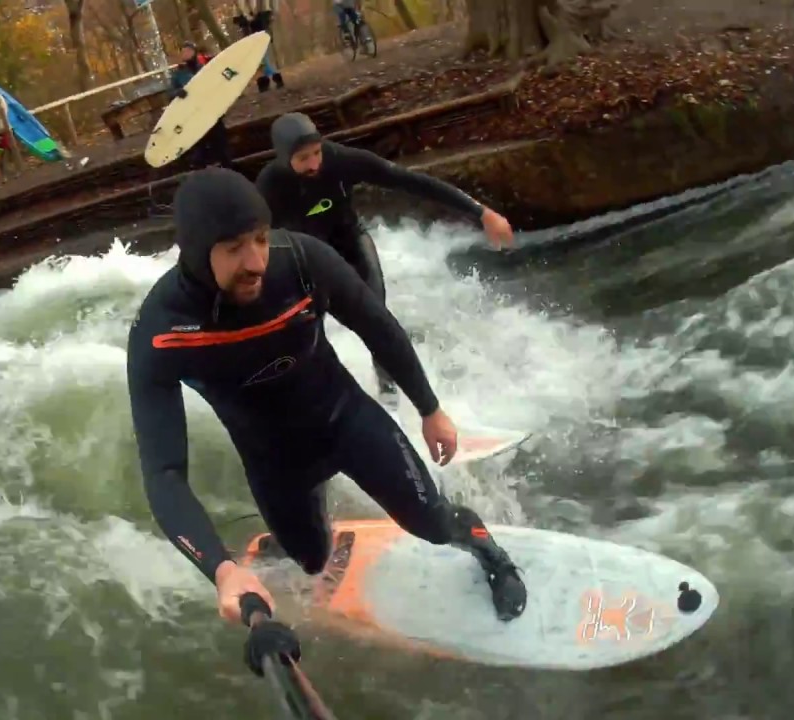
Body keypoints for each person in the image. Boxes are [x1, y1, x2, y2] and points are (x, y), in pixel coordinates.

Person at [126, 168, 527, 673]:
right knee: (313, 560)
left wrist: (430, 410)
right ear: (194, 252)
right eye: (233, 249)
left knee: (432, 523)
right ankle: (302, 529)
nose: (255, 261)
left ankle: (483, 544)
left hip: (346, 421)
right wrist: (223, 571)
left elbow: (377, 326)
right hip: (273, 463)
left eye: (260, 239)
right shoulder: (161, 332)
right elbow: (163, 474)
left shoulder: (300, 262)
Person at [254, 112, 515, 405]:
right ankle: (320, 406)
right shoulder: (269, 186)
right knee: (304, 333)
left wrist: (481, 212)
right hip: (305, 260)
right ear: (283, 158)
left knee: (377, 319)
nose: (314, 164)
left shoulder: (340, 159)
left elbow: (409, 181)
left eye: (316, 152)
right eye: (303, 158)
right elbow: (250, 243)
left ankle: (393, 400)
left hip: (349, 243)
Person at [169, 42, 232, 170]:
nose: (186, 54)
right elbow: (170, 93)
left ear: (194, 52)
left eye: (188, 51)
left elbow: (222, 81)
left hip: (211, 112)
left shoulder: (207, 67)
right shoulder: (179, 74)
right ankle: (202, 172)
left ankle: (228, 168)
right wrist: (178, 93)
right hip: (194, 115)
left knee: (221, 144)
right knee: (199, 148)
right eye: (183, 52)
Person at [234, 0, 284, 92]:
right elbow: (238, 5)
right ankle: (264, 80)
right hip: (247, 21)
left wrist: (272, 13)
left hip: (262, 16)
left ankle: (275, 76)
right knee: (254, 52)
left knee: (265, 48)